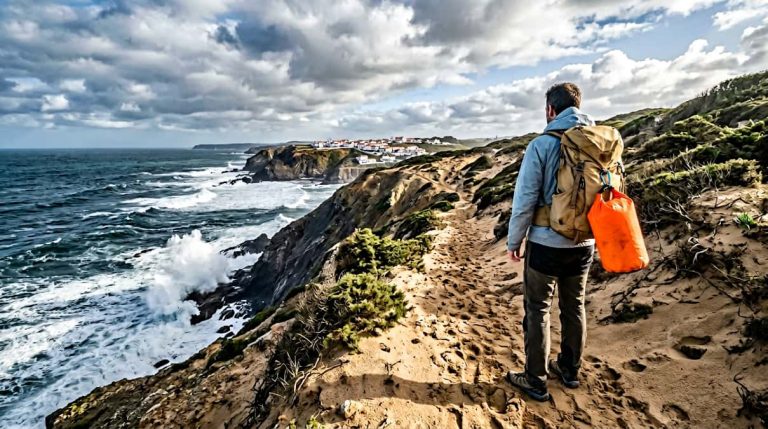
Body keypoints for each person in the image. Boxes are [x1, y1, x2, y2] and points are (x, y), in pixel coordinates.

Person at [506, 82, 595, 402]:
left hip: (546, 242)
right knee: (574, 307)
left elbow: (526, 198)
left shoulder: (542, 144)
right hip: (585, 242)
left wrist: (514, 240)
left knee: (538, 309)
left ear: (549, 110)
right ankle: (570, 370)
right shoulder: (600, 142)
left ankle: (535, 379)